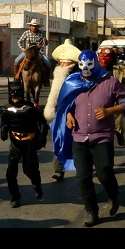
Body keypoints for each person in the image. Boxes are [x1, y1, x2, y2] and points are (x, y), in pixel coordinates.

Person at [51, 50, 125, 227]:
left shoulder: (110, 82)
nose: (85, 68)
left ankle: (113, 195)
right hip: (79, 138)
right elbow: (64, 105)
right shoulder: (72, 82)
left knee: (105, 173)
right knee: (83, 177)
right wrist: (68, 116)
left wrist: (110, 111)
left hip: (102, 138)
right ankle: (91, 211)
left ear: (96, 63)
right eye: (82, 65)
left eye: (89, 65)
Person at [0, 81, 49, 208]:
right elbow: (5, 122)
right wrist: (4, 130)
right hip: (15, 143)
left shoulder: (30, 108)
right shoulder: (6, 109)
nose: (16, 98)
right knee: (10, 173)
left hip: (29, 142)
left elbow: (43, 123)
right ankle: (15, 196)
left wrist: (42, 137)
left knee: (30, 169)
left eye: (19, 95)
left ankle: (36, 184)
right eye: (13, 95)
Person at [43, 38, 80, 182]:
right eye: (60, 62)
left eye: (64, 62)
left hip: (77, 112)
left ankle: (81, 166)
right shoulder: (59, 73)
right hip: (60, 112)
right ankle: (59, 169)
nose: (61, 64)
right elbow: (53, 95)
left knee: (78, 141)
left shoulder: (78, 76)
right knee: (59, 140)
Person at [15, 19, 51, 86]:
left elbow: (47, 44)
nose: (34, 27)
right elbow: (19, 41)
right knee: (16, 61)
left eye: (35, 26)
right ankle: (16, 77)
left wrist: (45, 41)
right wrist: (23, 49)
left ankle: (46, 79)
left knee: (48, 63)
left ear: (38, 27)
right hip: (28, 52)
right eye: (32, 26)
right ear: (30, 26)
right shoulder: (26, 33)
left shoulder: (41, 33)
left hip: (38, 52)